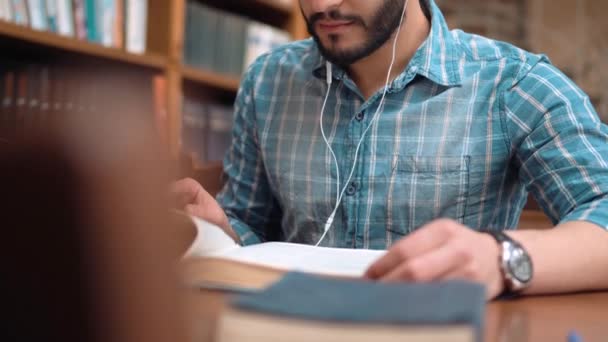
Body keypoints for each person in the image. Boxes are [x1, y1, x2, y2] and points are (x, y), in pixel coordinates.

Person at [172, 0, 608, 299]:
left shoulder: (515, 83)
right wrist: (219, 230)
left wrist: (501, 259)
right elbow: (250, 224)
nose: (323, 4)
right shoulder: (267, 80)